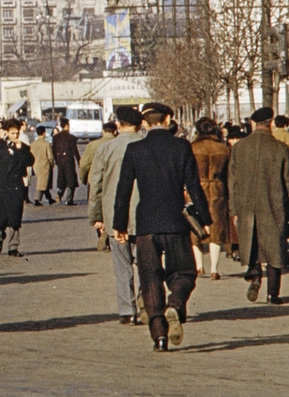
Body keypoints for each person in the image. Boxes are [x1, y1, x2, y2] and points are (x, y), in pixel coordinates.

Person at [113, 102, 211, 352]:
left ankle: (159, 336)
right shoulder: (181, 146)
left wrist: (119, 225)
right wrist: (205, 220)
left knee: (149, 278)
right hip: (175, 221)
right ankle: (175, 305)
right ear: (168, 118)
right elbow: (194, 186)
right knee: (185, 272)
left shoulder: (135, 149)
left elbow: (123, 191)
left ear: (145, 122)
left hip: (145, 223)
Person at [230, 106, 289, 304]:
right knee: (275, 248)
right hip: (274, 205)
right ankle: (273, 294)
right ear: (270, 123)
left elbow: (232, 180)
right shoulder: (280, 148)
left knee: (252, 242)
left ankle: (255, 274)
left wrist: (234, 208)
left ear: (253, 123)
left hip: (246, 205)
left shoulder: (239, 148)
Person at [90, 106, 145, 323]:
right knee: (145, 263)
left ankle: (127, 310)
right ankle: (144, 301)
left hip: (115, 216)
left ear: (118, 125)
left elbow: (96, 185)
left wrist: (97, 216)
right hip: (144, 215)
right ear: (140, 125)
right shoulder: (146, 147)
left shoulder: (105, 149)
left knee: (122, 266)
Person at [0, 119, 33, 256]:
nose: (15, 136)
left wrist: (21, 149)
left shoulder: (23, 147)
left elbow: (30, 161)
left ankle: (13, 246)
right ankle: (0, 234)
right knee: (1, 214)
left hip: (16, 185)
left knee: (16, 217)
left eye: (17, 133)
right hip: (1, 185)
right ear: (7, 132)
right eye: (13, 133)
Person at [189, 117, 233, 279]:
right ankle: (214, 268)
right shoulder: (223, 149)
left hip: (196, 190)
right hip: (218, 190)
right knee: (216, 230)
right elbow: (230, 174)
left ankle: (199, 266)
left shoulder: (192, 148)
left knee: (196, 229)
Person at [53, 125, 81, 205]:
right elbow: (74, 150)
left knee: (62, 179)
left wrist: (56, 160)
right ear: (67, 126)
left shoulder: (56, 137)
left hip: (60, 160)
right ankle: (69, 199)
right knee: (71, 180)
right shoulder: (71, 137)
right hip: (69, 161)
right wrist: (79, 160)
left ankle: (59, 193)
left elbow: (53, 150)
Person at [29, 126, 55, 205]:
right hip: (44, 165)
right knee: (42, 183)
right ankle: (37, 199)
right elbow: (50, 156)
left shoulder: (33, 144)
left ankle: (49, 198)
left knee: (43, 182)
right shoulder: (46, 144)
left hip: (35, 165)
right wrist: (52, 163)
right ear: (44, 133)